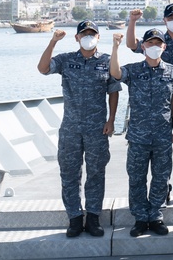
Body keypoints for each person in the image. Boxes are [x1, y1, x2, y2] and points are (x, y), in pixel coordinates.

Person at [37, 21, 120, 238]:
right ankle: (74, 218)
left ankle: (93, 218)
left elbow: (113, 91)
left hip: (97, 128)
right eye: (84, 34)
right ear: (77, 38)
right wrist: (53, 41)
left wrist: (111, 120)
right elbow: (43, 68)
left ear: (98, 37)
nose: (88, 37)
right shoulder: (66, 60)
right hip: (71, 128)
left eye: (92, 34)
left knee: (96, 172)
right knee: (69, 173)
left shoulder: (106, 62)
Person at [110, 29, 173, 237]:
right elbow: (115, 73)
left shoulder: (172, 71)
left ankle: (156, 216)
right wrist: (115, 47)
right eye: (149, 43)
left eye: (157, 43)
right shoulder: (133, 70)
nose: (154, 47)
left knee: (161, 177)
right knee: (137, 178)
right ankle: (141, 218)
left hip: (162, 135)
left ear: (164, 47)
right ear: (143, 47)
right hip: (138, 136)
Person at [126, 4, 173, 205]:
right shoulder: (157, 41)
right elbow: (132, 44)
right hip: (158, 107)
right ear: (165, 20)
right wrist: (132, 21)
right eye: (171, 17)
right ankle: (163, 187)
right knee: (162, 151)